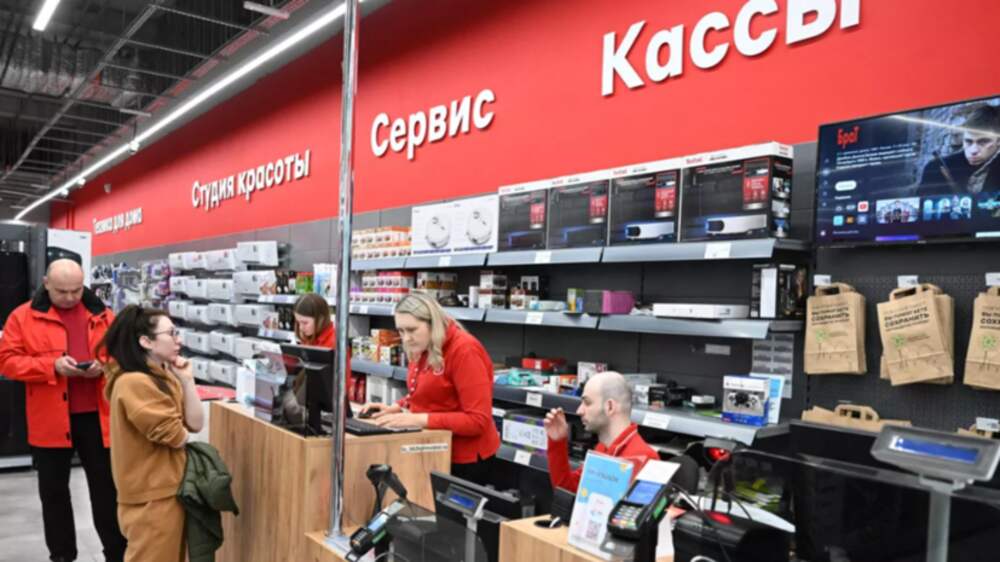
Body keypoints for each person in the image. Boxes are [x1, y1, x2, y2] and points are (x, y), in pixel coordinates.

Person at [0, 259, 127, 562]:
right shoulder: (22, 317)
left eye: (76, 290)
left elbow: (123, 354)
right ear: (46, 284)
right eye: (62, 291)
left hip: (98, 418)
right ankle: (61, 556)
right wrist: (52, 366)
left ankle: (117, 554)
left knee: (107, 491)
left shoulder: (105, 315)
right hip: (50, 419)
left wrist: (105, 366)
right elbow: (7, 361)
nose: (70, 297)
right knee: (54, 494)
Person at [361, 292, 500, 486]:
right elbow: (430, 390)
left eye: (412, 330)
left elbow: (478, 420)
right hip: (433, 448)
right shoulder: (422, 346)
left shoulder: (465, 350)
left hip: (465, 461)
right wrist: (399, 406)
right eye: (401, 330)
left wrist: (418, 419)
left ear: (433, 323)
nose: (406, 338)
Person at [100, 305, 204, 562]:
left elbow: (195, 423)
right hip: (151, 496)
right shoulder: (135, 382)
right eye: (171, 333)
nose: (178, 340)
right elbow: (175, 435)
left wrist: (187, 380)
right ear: (145, 341)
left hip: (164, 490)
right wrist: (185, 435)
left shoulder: (162, 375)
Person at [543, 371, 659, 492]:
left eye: (587, 402)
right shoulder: (602, 448)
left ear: (610, 407)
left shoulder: (645, 459)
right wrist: (557, 441)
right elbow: (568, 490)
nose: (579, 411)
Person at [918, 104, 1000, 196]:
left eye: (983, 142)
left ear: (998, 141)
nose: (973, 151)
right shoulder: (935, 169)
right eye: (968, 141)